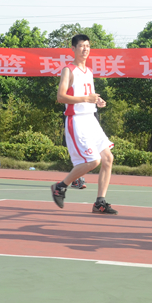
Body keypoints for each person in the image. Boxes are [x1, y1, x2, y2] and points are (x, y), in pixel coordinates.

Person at [51, 34, 117, 215]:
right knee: (93, 160)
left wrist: (97, 101)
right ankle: (60, 187)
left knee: (108, 159)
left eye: (87, 46)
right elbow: (61, 97)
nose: (85, 49)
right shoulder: (68, 70)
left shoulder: (88, 71)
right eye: (81, 46)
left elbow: (88, 95)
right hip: (77, 119)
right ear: (73, 48)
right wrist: (86, 99)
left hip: (91, 119)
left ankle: (99, 202)